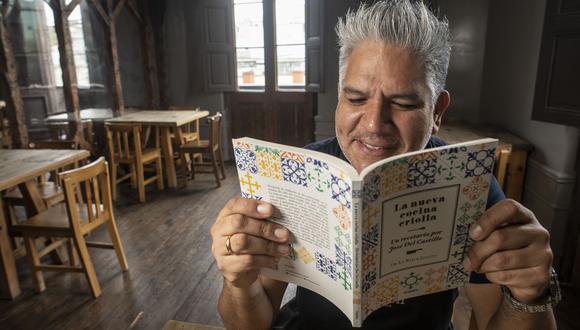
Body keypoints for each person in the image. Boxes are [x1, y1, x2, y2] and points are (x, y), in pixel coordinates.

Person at [210, 1, 558, 329]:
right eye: (356, 98)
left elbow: (489, 318)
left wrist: (529, 295)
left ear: (437, 111)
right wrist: (238, 283)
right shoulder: (298, 176)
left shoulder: (468, 185)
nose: (374, 124)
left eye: (404, 103)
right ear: (338, 97)